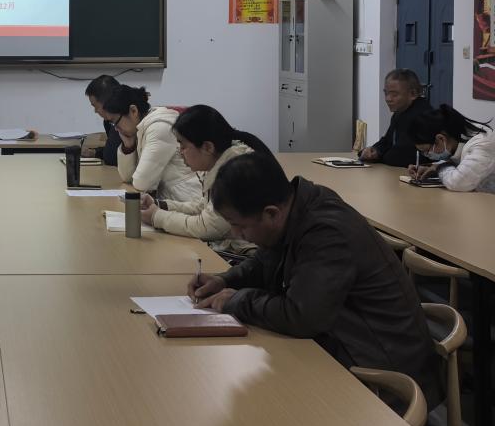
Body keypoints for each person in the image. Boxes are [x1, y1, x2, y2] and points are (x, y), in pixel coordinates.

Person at [189, 152, 441, 410]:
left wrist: (238, 300)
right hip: (347, 344)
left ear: (271, 213)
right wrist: (224, 280)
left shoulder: (327, 232)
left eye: (239, 225)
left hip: (383, 374)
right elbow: (265, 261)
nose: (235, 233)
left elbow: (301, 316)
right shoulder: (297, 207)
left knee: (264, 405)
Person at [139, 104, 275, 252]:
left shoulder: (236, 171)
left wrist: (156, 217)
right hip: (234, 248)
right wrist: (161, 205)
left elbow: (207, 227)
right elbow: (204, 207)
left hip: (248, 253)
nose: (179, 152)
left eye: (183, 146)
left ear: (208, 147)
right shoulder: (221, 161)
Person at [102, 85, 199, 202]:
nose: (116, 129)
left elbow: (142, 183)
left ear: (133, 111)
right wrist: (128, 147)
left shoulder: (159, 128)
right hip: (171, 199)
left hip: (188, 201)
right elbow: (126, 177)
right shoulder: (141, 127)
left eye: (115, 122)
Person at [406, 104, 495, 193]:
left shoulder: (483, 144)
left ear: (441, 139)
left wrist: (439, 168)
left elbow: (458, 183)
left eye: (426, 151)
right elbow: (460, 164)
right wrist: (430, 168)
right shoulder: (458, 140)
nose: (427, 155)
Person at [359, 68, 431, 167]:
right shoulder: (400, 112)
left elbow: (399, 156)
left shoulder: (422, 116)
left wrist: (378, 157)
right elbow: (387, 141)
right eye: (386, 93)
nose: (388, 99)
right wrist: (374, 150)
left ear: (413, 94)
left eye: (394, 94)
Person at [83, 75, 121, 165]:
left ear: (108, 103)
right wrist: (95, 153)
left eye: (96, 106)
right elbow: (113, 149)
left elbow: (112, 157)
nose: (95, 111)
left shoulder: (125, 121)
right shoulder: (108, 122)